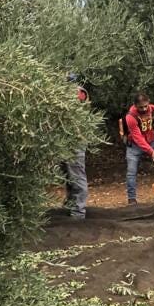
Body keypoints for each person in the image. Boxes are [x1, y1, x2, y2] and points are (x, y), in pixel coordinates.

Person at [124, 92, 154, 204]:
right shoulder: (130, 116)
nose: (143, 109)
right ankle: (131, 199)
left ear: (148, 103)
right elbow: (138, 138)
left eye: (145, 106)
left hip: (152, 140)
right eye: (140, 107)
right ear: (135, 105)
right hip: (134, 145)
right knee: (131, 171)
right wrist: (151, 152)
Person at [62, 75, 89, 219]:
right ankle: (71, 206)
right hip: (64, 139)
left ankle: (78, 212)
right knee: (68, 175)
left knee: (76, 174)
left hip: (76, 140)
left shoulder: (79, 93)